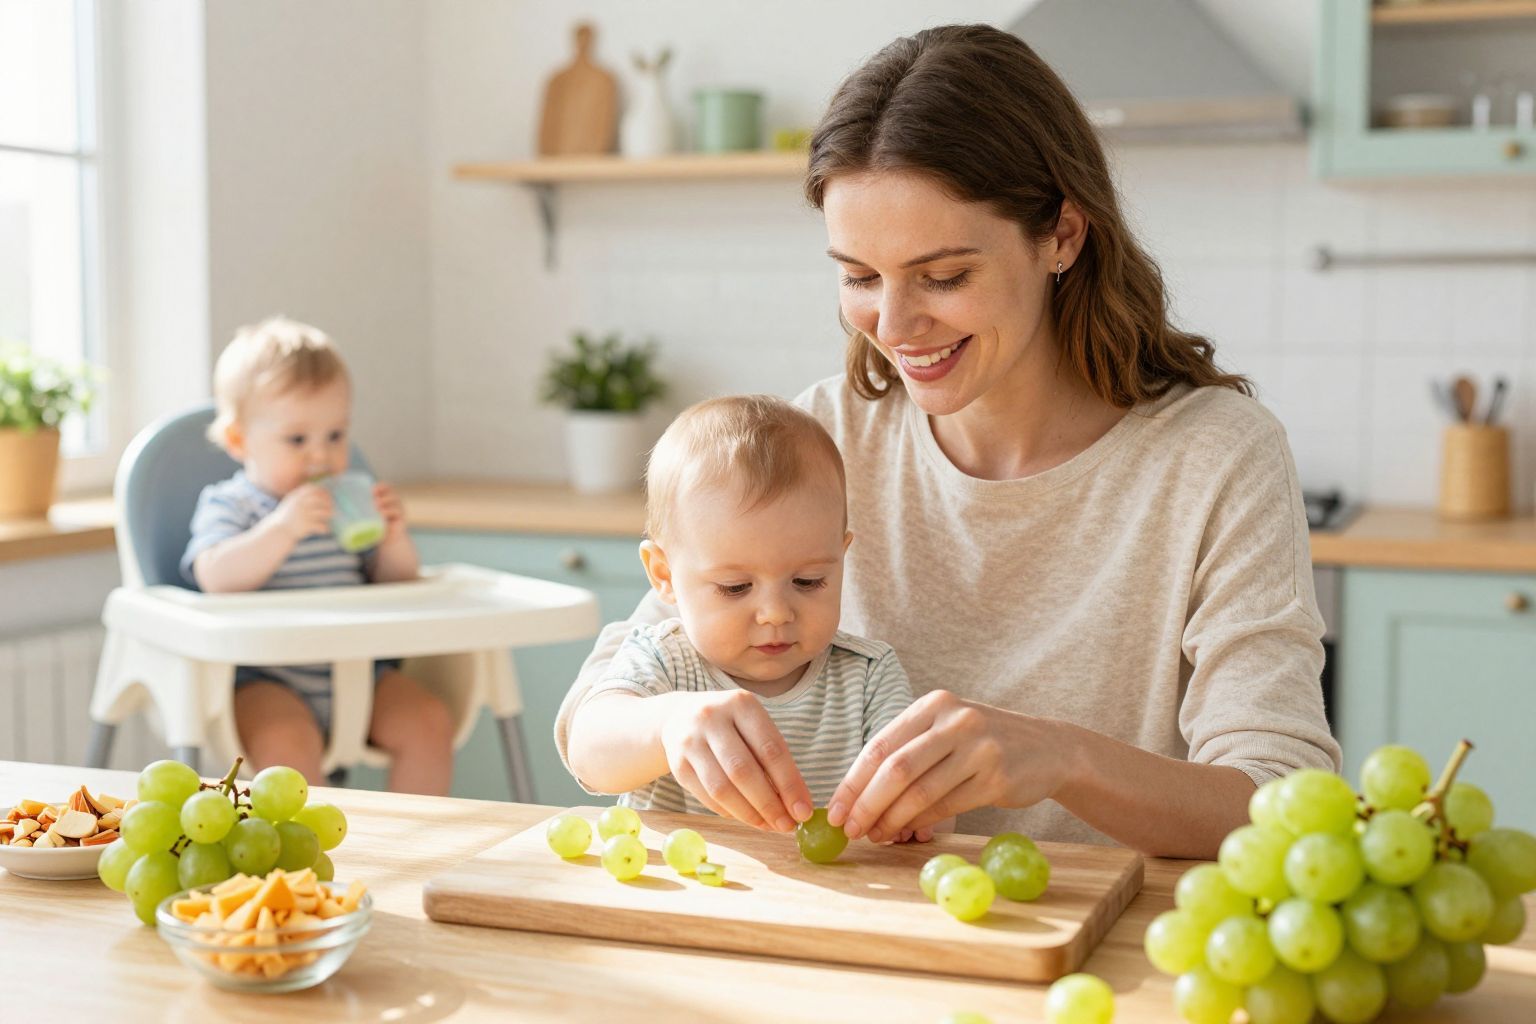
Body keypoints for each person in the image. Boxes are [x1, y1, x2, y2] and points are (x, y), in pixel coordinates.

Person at [556, 25, 1340, 859]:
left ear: (1063, 237)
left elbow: (1281, 802)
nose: (894, 325)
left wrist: (1065, 758)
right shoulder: (825, 437)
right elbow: (591, 719)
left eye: (943, 276)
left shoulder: (1217, 457)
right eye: (860, 276)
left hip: (1104, 927)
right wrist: (672, 722)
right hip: (874, 921)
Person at [562, 395, 932, 838]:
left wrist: (914, 810)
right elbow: (588, 754)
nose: (775, 613)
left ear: (841, 557)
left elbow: (925, 801)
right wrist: (666, 724)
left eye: (809, 581)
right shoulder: (662, 661)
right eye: (735, 587)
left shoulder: (869, 676)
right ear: (663, 575)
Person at [182, 316, 455, 794]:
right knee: (286, 745)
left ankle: (410, 837)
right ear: (239, 440)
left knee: (429, 722)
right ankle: (317, 839)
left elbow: (396, 583)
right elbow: (215, 576)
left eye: (335, 436)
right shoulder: (233, 504)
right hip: (267, 677)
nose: (320, 457)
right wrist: (281, 529)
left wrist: (393, 538)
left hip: (360, 669)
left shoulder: (347, 508)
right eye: (297, 439)